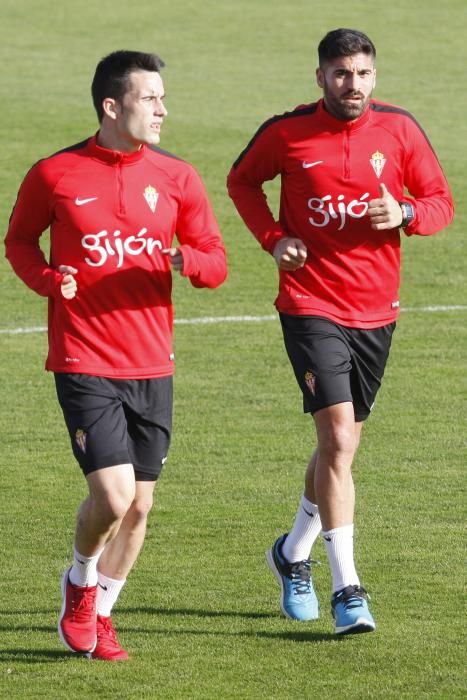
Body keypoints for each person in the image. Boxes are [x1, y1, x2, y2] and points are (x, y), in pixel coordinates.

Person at [227, 28, 453, 635]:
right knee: (338, 439)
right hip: (309, 303)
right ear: (321, 76)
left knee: (339, 447)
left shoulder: (400, 130)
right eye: (342, 74)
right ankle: (348, 588)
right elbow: (242, 181)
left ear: (375, 76)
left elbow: (440, 203)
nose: (353, 85)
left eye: (364, 74)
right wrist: (276, 239)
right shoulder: (287, 132)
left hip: (377, 310)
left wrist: (404, 212)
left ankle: (291, 553)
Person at [5, 50, 227, 660]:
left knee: (141, 505)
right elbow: (20, 241)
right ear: (112, 105)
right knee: (113, 496)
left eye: (162, 97)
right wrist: (50, 280)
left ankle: (102, 612)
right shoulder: (54, 174)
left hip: (152, 363)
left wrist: (193, 263)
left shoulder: (177, 177)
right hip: (83, 358)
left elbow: (214, 256)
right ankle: (79, 582)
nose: (163, 109)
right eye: (150, 98)